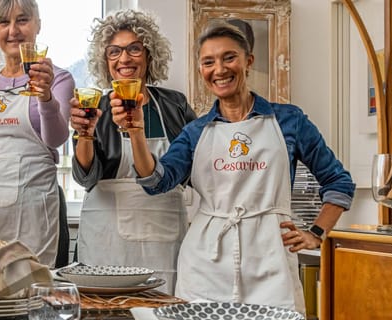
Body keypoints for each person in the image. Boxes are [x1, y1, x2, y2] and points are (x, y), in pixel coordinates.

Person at [138, 21, 355, 312]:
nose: (220, 69)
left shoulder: (290, 121)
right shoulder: (195, 132)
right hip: (205, 260)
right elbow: (156, 182)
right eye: (208, 62)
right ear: (201, 70)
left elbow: (338, 182)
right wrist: (135, 132)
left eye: (229, 57)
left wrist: (316, 233)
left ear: (248, 61)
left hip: (271, 257)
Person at [70, 9, 197, 295]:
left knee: (163, 305)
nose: (124, 59)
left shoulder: (175, 105)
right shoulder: (93, 107)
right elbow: (86, 178)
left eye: (134, 49)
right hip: (105, 235)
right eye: (114, 51)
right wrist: (85, 134)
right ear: (105, 61)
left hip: (164, 234)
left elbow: (191, 170)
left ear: (150, 55)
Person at [0, 0, 75, 267]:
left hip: (32, 213)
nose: (13, 30)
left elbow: (56, 139)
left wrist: (45, 96)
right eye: (4, 22)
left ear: (38, 25)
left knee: (30, 291)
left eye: (22, 20)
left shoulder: (57, 79)